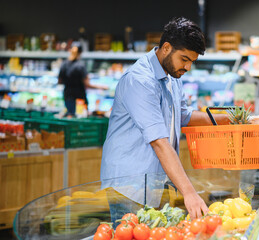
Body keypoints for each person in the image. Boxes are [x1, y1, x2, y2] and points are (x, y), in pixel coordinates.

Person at [101, 17, 232, 220]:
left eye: (192, 62)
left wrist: (224, 119)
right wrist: (189, 193)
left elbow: (182, 115)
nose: (188, 67)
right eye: (184, 59)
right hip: (130, 185)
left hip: (155, 182)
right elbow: (159, 142)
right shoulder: (140, 81)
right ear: (166, 48)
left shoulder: (172, 75)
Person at [58, 42, 107, 116]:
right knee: (80, 120)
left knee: (70, 117)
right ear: (80, 53)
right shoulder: (81, 66)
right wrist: (102, 87)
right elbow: (87, 84)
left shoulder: (64, 64)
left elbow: (59, 81)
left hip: (67, 96)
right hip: (80, 99)